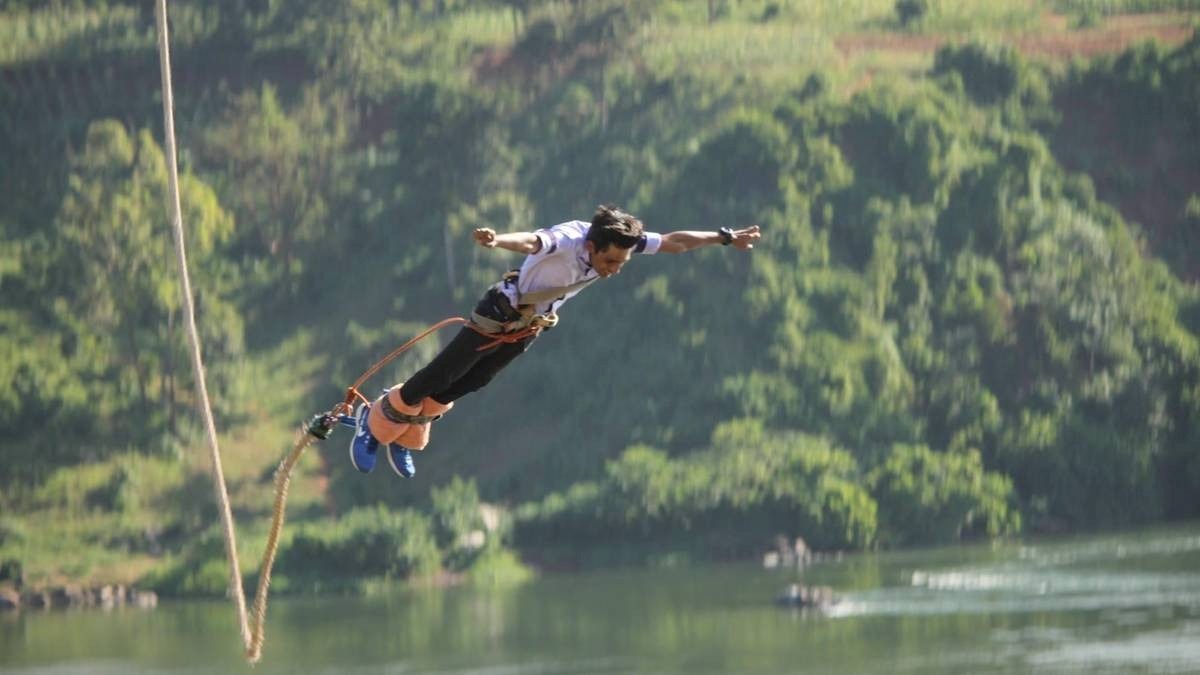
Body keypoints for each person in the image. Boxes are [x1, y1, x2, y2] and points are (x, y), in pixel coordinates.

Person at [350, 204, 760, 478]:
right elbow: (532, 241)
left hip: (531, 325)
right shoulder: (568, 238)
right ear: (592, 246)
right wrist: (497, 241)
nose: (614, 270)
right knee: (444, 372)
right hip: (501, 312)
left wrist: (723, 237)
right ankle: (375, 425)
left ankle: (403, 433)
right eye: (609, 262)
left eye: (622, 262)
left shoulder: (622, 244)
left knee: (469, 383)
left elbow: (673, 242)